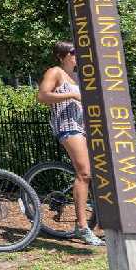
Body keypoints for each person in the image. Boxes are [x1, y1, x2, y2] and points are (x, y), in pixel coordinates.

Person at [37, 41, 104, 246]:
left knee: (97, 172)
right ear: (63, 55)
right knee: (85, 173)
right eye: (74, 52)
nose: (78, 55)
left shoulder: (78, 75)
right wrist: (73, 94)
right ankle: (82, 227)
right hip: (67, 127)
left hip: (85, 127)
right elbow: (42, 96)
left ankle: (102, 221)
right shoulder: (55, 72)